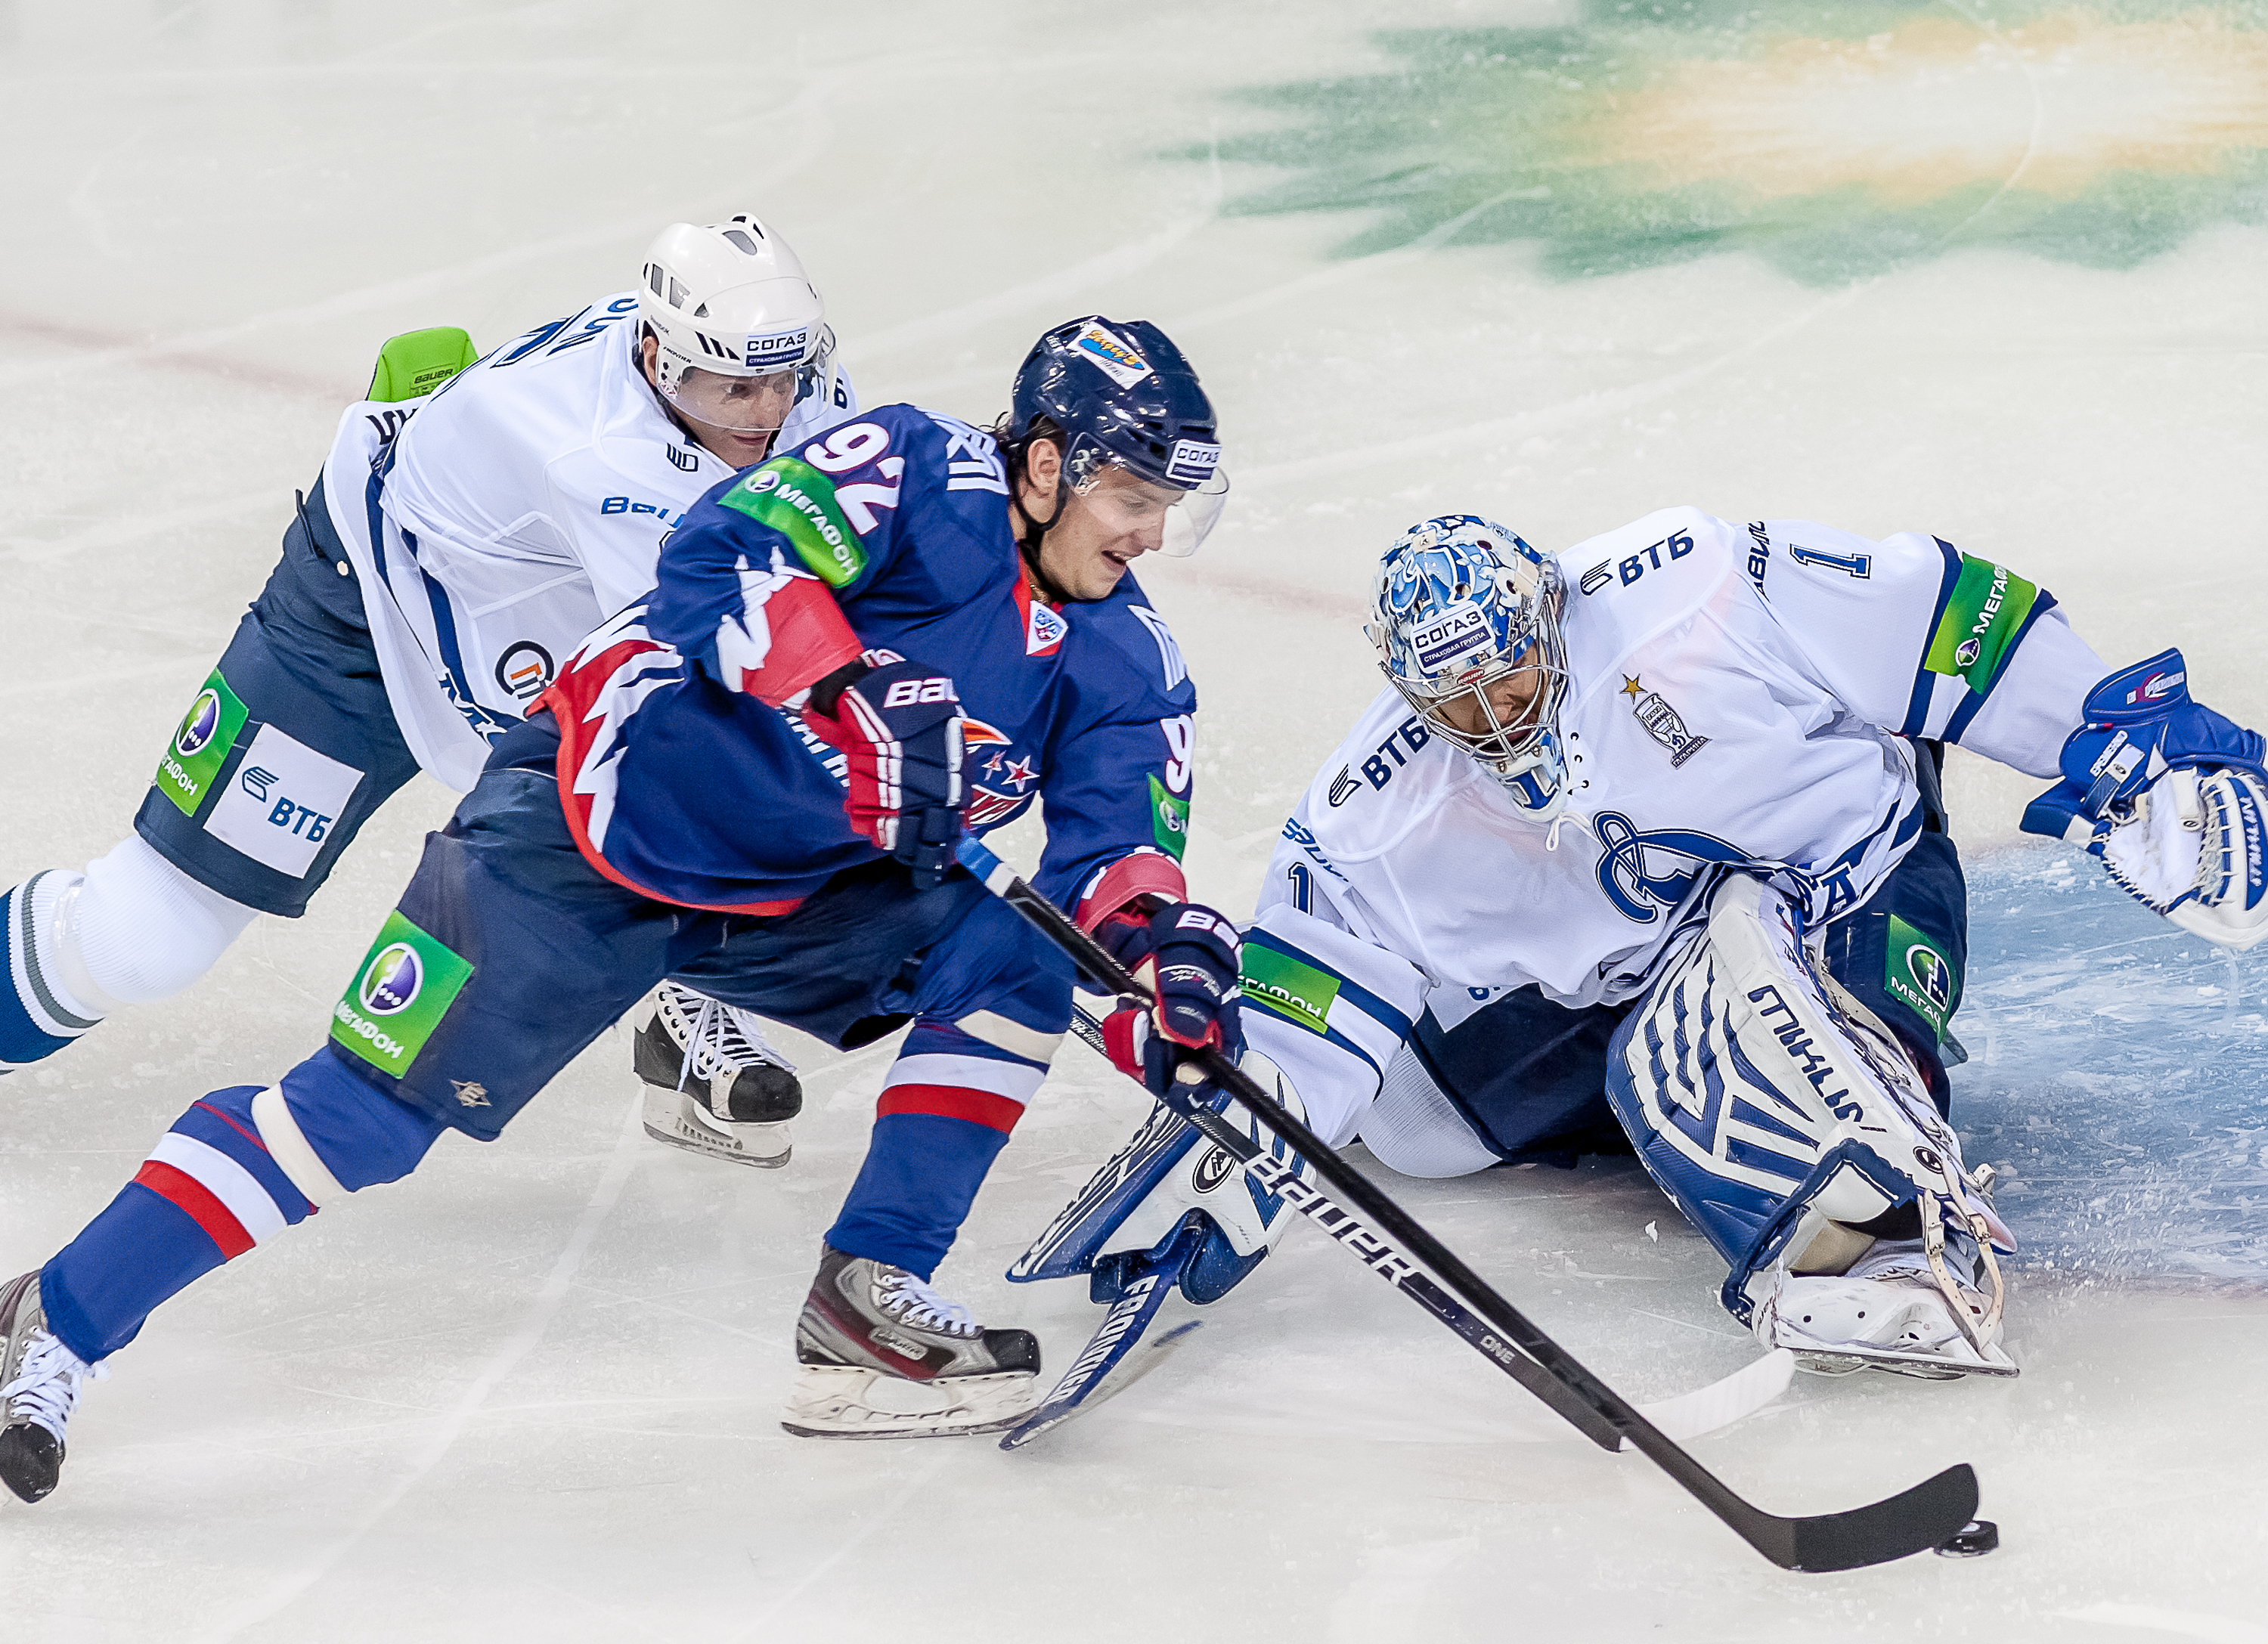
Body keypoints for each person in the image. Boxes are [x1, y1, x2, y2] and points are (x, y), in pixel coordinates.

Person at [0, 314, 1243, 1504]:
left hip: (796, 892)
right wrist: (846, 687)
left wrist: (1165, 964)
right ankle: (59, 1315)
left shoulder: (1126, 660)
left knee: (1017, 963)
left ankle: (870, 1297)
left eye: (1169, 506)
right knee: (360, 1121)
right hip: (591, 828)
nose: (1150, 533)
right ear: (1046, 464)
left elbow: (1118, 858)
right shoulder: (915, 470)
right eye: (1134, 497)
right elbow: (717, 556)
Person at [1024, 510, 2266, 1381]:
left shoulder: (1697, 590)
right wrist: (1251, 1121)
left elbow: (1943, 611)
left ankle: (1885, 1228)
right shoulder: (1377, 805)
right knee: (1417, 1127)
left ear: (1549, 615)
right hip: (1625, 980)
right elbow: (1316, 981)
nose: (1495, 723)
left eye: (1510, 683)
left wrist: (2125, 743)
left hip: (1851, 878)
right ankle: (1727, 1121)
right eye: (1456, 705)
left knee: (1736, 981)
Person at [0, 215, 861, 1169]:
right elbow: (728, 664)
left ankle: (686, 999)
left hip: (542, 599)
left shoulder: (775, 377)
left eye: (785, 378)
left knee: (700, 767)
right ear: (660, 361)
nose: (768, 412)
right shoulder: (602, 461)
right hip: (366, 618)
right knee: (146, 937)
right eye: (735, 388)